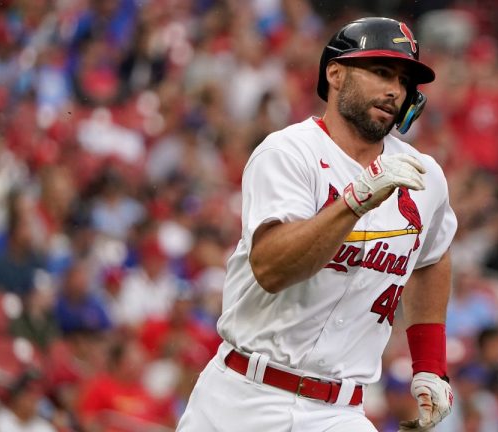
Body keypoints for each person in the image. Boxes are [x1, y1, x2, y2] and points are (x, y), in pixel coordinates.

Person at [177, 17, 457, 432]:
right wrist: (355, 202)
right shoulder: (288, 153)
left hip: (339, 411)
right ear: (335, 74)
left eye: (404, 80)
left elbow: (432, 257)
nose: (395, 91)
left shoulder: (423, 175)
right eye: (381, 72)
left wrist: (430, 364)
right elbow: (272, 269)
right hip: (243, 395)